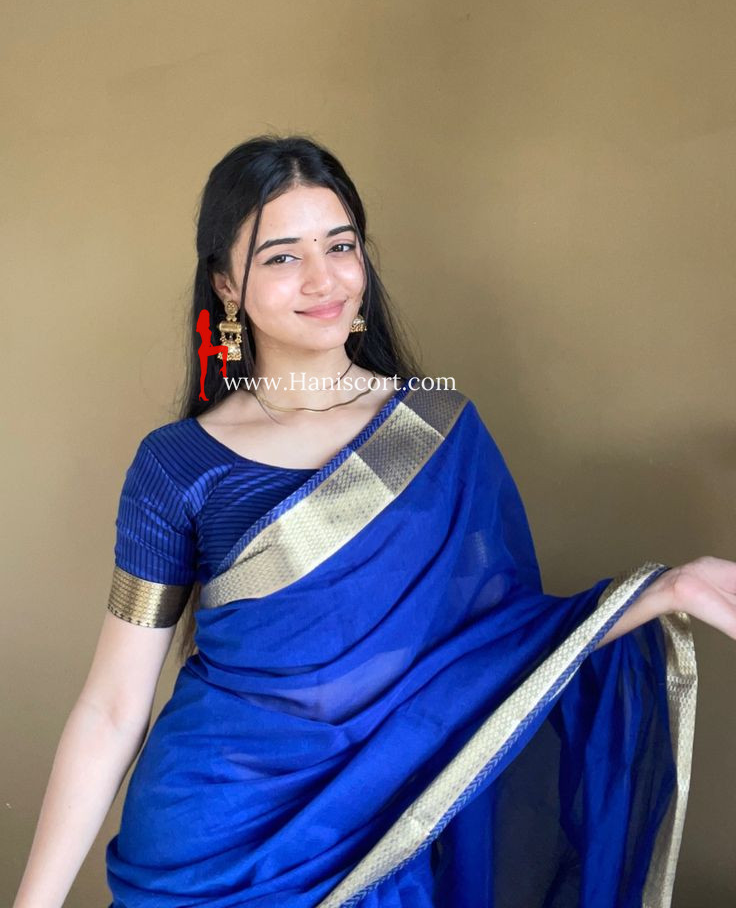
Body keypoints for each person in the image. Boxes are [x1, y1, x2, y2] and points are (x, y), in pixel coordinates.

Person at [13, 135, 735, 908]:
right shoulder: (179, 464)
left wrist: (661, 592)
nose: (323, 278)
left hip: (383, 830)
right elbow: (112, 707)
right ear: (225, 283)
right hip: (210, 838)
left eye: (341, 245)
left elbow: (497, 647)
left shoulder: (436, 433)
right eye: (282, 256)